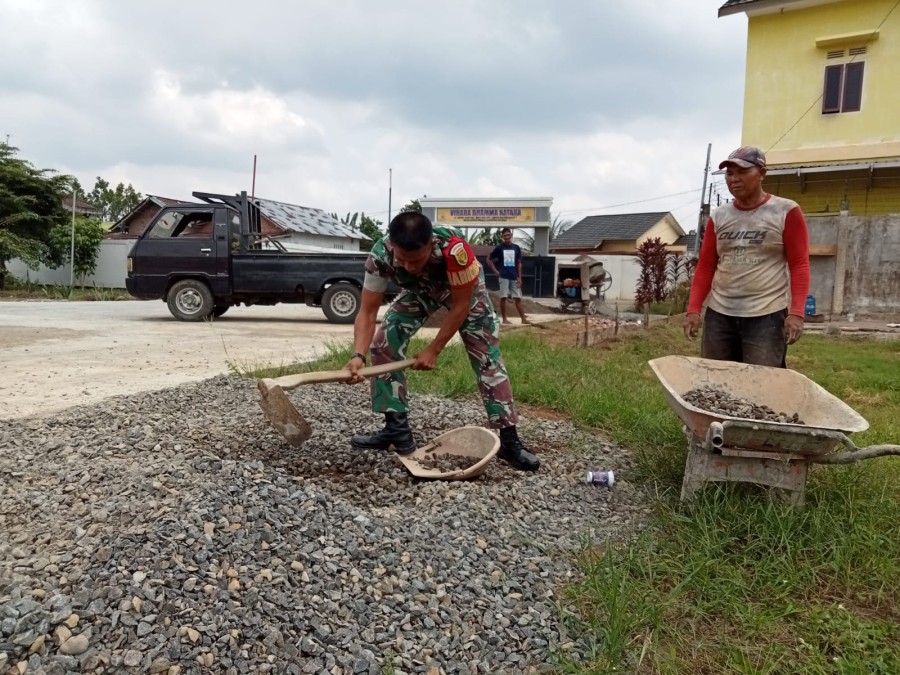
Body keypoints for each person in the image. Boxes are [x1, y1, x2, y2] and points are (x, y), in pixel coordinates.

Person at [344, 212, 540, 471]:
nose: (409, 267)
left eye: (416, 260)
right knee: (384, 342)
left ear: (431, 245)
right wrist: (357, 356)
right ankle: (396, 431)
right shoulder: (379, 257)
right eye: (402, 260)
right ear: (393, 246)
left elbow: (461, 306)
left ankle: (509, 440)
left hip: (465, 292)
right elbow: (368, 312)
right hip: (420, 291)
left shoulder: (455, 250)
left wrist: (434, 349)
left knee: (487, 358)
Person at [684, 145, 810, 367]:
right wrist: (693, 309)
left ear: (761, 173)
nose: (734, 179)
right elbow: (706, 266)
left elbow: (799, 265)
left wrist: (797, 313)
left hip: (766, 316)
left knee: (762, 380)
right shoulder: (719, 216)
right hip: (720, 315)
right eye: (730, 173)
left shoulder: (785, 211)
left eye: (743, 172)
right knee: (717, 378)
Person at [486, 227, 531, 324]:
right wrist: (495, 271)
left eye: (508, 235)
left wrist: (520, 278)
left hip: (514, 277)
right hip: (503, 276)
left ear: (511, 235)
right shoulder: (499, 248)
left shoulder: (516, 248)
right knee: (503, 298)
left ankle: (523, 319)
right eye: (505, 235)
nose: (507, 237)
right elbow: (488, 258)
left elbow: (519, 263)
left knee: (518, 298)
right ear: (502, 237)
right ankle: (504, 319)